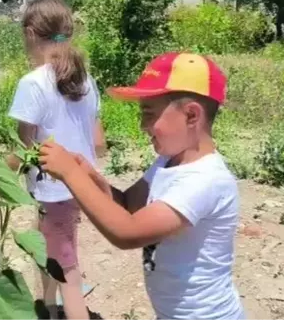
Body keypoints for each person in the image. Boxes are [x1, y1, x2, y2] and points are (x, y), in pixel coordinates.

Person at [38, 52, 246, 320]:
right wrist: (87, 176)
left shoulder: (206, 180)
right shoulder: (168, 162)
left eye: (149, 114)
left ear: (191, 115)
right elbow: (127, 205)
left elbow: (128, 233)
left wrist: (69, 173)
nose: (142, 125)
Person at [5, 0, 105, 320]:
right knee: (51, 251)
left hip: (52, 191)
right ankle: (48, 309)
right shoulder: (85, 80)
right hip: (80, 187)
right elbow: (99, 143)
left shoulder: (33, 83)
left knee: (69, 274)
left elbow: (26, 144)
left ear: (31, 34)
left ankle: (63, 310)